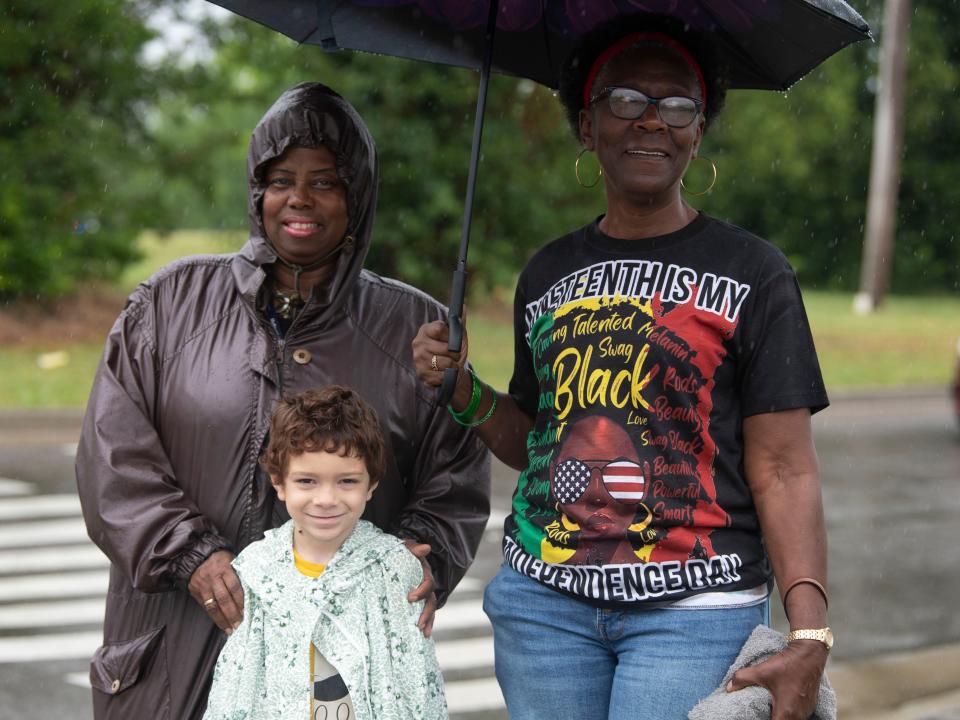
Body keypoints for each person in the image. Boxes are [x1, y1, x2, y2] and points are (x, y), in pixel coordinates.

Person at [414, 15, 831, 720]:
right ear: (587, 125)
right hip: (544, 610)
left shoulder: (754, 273)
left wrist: (810, 628)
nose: (651, 122)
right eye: (626, 100)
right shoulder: (546, 274)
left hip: (695, 611)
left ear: (698, 132)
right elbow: (538, 443)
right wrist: (464, 392)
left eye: (676, 106)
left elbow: (785, 468)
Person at [76, 82, 489, 720]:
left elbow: (454, 482)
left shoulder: (417, 331)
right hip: (168, 654)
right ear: (256, 192)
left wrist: (416, 556)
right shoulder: (167, 306)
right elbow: (113, 459)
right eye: (280, 180)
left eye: (325, 182)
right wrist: (189, 552)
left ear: (358, 199)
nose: (299, 198)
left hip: (333, 670)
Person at [203, 386, 447, 720]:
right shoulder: (257, 569)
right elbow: (237, 678)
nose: (326, 499)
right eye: (306, 481)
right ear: (279, 482)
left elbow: (417, 680)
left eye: (347, 481)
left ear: (371, 483)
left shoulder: (394, 567)